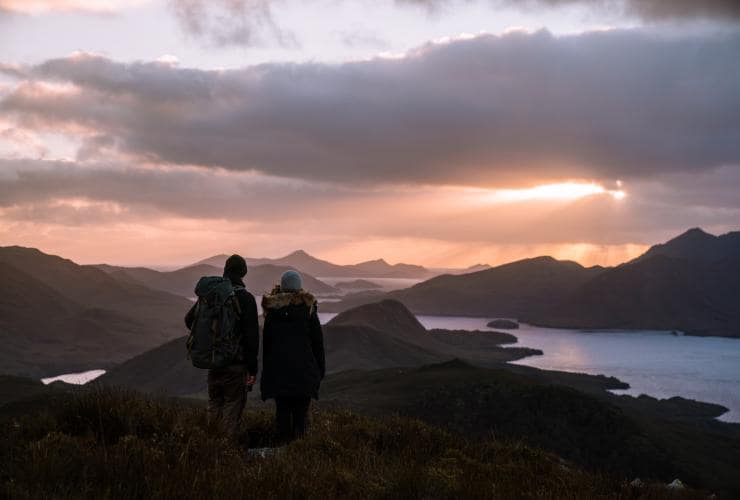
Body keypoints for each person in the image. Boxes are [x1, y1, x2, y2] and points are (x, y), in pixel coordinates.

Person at [185, 254, 259, 439]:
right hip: (235, 366)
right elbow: (251, 337)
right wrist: (252, 368)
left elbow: (189, 320)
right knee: (231, 410)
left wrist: (212, 337)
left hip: (214, 363)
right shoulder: (245, 298)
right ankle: (224, 453)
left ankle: (209, 450)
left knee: (214, 405)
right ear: (243, 273)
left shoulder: (212, 295)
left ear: (225, 271)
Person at [261, 270, 325, 443]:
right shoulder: (308, 311)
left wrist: (267, 375)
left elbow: (267, 347)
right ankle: (299, 457)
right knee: (301, 420)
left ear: (282, 287)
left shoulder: (272, 314)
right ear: (299, 288)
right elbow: (318, 345)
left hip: (279, 376)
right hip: (304, 375)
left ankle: (282, 456)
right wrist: (319, 372)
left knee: (282, 417)